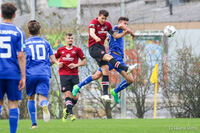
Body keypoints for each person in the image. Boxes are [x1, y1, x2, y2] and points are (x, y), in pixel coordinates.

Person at [73, 10, 136, 101]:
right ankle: (79, 86)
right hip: (111, 55)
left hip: (119, 58)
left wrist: (125, 33)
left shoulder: (113, 30)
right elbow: (119, 27)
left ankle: (114, 92)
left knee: (130, 80)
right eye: (124, 23)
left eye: (127, 24)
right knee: (97, 75)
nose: (126, 25)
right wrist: (129, 31)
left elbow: (115, 36)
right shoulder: (116, 27)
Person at [25, 20, 61, 128]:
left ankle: (34, 123)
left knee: (31, 98)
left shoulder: (25, 43)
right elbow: (53, 59)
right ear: (39, 31)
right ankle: (44, 105)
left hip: (30, 73)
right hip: (44, 73)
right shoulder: (46, 43)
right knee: (42, 96)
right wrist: (58, 63)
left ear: (28, 31)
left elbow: (22, 59)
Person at [0, 3, 26, 133]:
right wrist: (23, 76)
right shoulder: (18, 32)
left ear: (1, 14)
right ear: (15, 15)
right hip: (12, 73)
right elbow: (20, 56)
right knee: (13, 103)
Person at [55, 33, 86, 122]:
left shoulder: (77, 50)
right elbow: (54, 59)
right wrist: (57, 63)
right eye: (69, 38)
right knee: (67, 94)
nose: (70, 40)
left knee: (76, 97)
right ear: (65, 39)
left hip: (74, 75)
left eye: (72, 38)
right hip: (64, 75)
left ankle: (67, 110)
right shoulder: (60, 50)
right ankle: (71, 114)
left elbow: (84, 61)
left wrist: (76, 64)